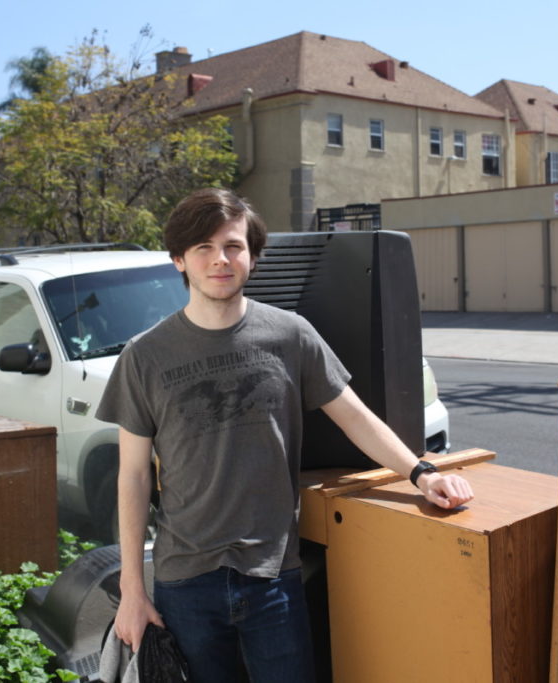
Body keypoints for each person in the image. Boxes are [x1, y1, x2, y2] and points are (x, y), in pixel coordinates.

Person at [97, 188, 474, 683]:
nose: (221, 260)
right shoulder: (144, 356)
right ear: (179, 261)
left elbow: (355, 417)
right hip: (184, 581)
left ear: (252, 257)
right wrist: (132, 590)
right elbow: (133, 477)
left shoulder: (290, 334)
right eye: (204, 248)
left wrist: (422, 472)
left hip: (273, 575)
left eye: (233, 246)